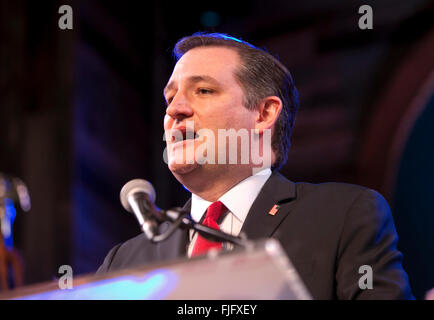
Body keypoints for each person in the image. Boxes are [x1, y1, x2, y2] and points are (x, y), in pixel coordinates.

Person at [97, 32, 414, 299]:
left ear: (263, 114)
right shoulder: (124, 262)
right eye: (170, 98)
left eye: (203, 90)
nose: (175, 109)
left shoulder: (343, 216)